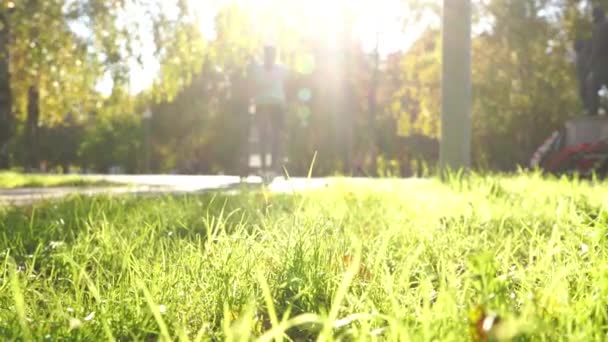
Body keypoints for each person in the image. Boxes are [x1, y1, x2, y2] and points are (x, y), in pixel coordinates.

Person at [248, 45, 289, 180]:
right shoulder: (278, 69)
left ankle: (270, 168)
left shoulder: (266, 69)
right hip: (266, 104)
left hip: (273, 104)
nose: (270, 58)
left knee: (271, 136)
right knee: (265, 136)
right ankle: (266, 168)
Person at [586, 7, 608, 115]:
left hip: (603, 64)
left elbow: (597, 47)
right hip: (602, 63)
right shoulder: (602, 25)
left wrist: (590, 62)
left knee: (592, 83)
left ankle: (593, 110)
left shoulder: (601, 27)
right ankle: (594, 110)